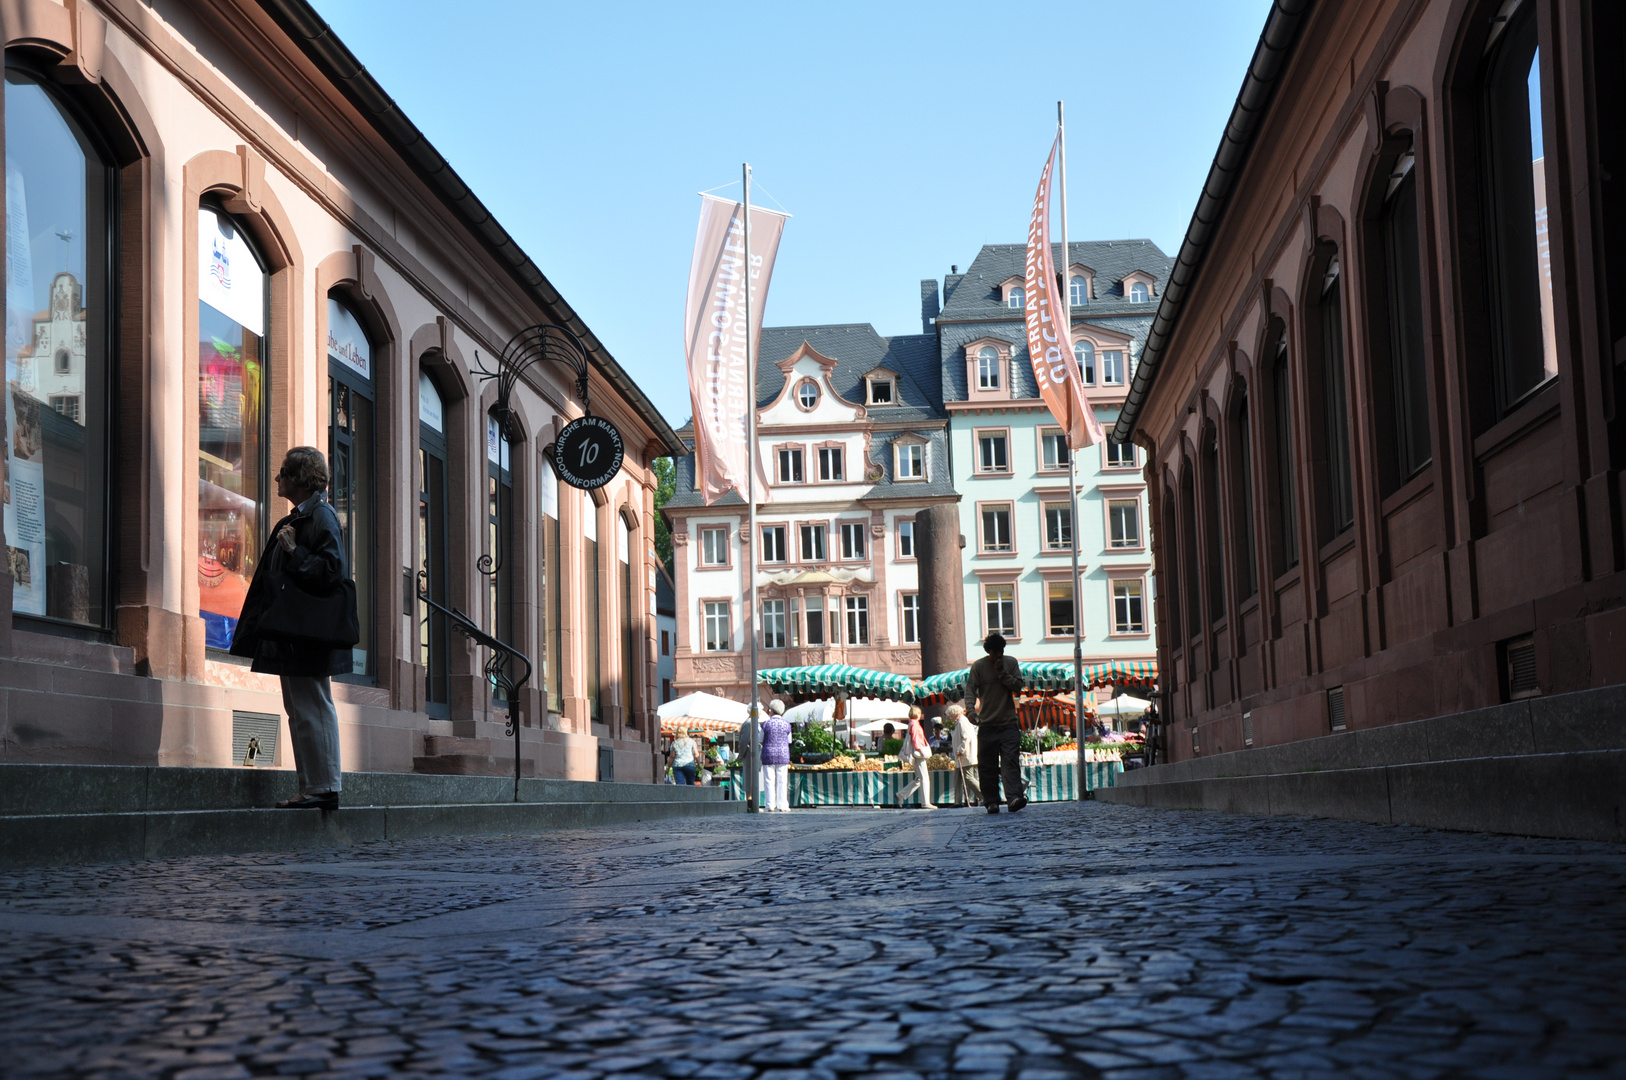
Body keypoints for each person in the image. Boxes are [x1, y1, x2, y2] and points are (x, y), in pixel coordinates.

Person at [230, 447, 354, 811]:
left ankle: (323, 787)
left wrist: (295, 551)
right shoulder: (306, 515)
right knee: (300, 708)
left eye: (283, 472)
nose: (277, 478)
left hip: (308, 633)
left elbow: (333, 573)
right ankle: (314, 786)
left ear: (301, 478)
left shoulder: (321, 516)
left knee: (312, 706)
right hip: (296, 632)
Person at [969, 633, 1026, 814]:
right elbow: (970, 690)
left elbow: (1017, 687)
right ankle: (991, 801)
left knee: (1010, 762)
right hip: (987, 724)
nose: (999, 656)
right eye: (995, 653)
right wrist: (970, 710)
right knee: (987, 765)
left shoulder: (1011, 663)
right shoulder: (978, 667)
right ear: (989, 652)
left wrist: (1002, 672)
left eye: (1001, 652)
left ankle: (1014, 798)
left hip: (1008, 723)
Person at [895, 705, 937, 810]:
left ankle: (901, 794)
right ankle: (925, 802)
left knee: (918, 779)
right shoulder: (915, 725)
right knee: (924, 778)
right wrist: (921, 751)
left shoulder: (911, 724)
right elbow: (916, 740)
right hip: (918, 754)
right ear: (917, 714)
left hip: (915, 753)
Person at [760, 699, 792, 812]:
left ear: (771, 711)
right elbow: (789, 741)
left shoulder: (766, 724)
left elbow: (760, 740)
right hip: (783, 754)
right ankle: (782, 805)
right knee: (782, 780)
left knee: (769, 780)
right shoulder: (787, 724)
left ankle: (770, 805)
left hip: (768, 754)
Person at [947, 702, 980, 808]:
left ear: (954, 714)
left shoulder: (962, 722)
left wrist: (960, 749)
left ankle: (985, 795)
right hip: (960, 757)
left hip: (965, 755)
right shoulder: (959, 722)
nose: (950, 718)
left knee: (968, 777)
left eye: (950, 715)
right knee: (957, 778)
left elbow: (966, 737)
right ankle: (957, 801)